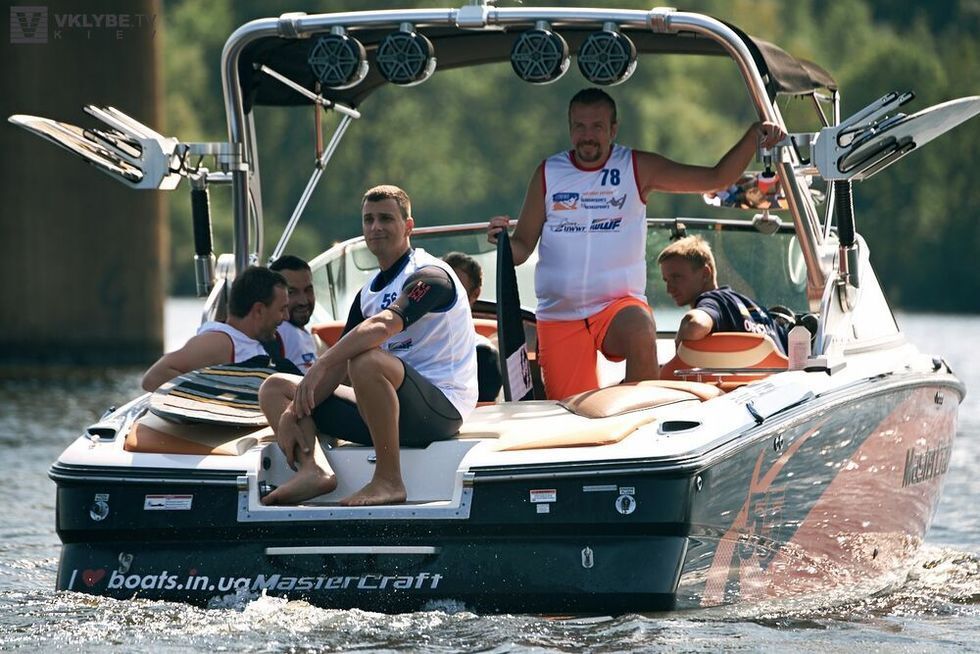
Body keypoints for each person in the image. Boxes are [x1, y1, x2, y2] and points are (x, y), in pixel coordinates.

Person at [487, 87, 786, 399]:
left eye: (597, 127)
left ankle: (641, 412)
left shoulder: (636, 167)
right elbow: (522, 247)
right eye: (580, 127)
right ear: (570, 129)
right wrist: (503, 242)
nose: (587, 136)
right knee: (569, 408)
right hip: (561, 315)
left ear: (613, 129)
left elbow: (716, 179)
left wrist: (754, 136)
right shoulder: (548, 172)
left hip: (616, 307)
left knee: (641, 327)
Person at [258, 185, 478, 507]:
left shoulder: (431, 275)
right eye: (369, 219)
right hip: (388, 408)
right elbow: (336, 368)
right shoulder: (368, 294)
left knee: (365, 361)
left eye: (386, 219)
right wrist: (295, 409)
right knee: (275, 388)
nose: (376, 227)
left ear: (408, 226)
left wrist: (320, 363)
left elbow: (385, 324)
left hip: (441, 408)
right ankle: (312, 470)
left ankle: (389, 480)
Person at [141, 266, 290, 392]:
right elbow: (153, 377)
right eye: (282, 309)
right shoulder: (220, 342)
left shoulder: (258, 343)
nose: (286, 317)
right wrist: (216, 399)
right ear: (259, 310)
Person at [657, 235, 787, 352]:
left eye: (676, 277)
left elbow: (695, 325)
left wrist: (677, 358)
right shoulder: (761, 313)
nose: (669, 289)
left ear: (705, 273)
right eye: (666, 280)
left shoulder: (714, 301)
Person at [443, 251, 503, 402]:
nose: (445, 296)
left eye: (456, 290)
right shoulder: (415, 342)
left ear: (475, 294)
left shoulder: (483, 354)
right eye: (441, 287)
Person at [269, 255, 318, 373]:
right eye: (291, 292)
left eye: (308, 290)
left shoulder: (299, 332)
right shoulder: (284, 331)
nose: (303, 301)